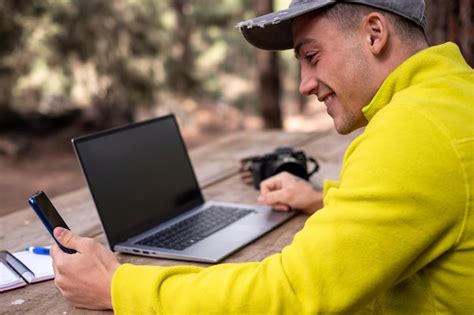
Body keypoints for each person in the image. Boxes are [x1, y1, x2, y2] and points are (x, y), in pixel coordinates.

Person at [50, 0, 474, 313]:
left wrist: (117, 287)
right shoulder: (452, 98)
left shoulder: (414, 130)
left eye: (312, 57)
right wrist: (322, 199)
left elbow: (292, 294)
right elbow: (432, 199)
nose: (306, 84)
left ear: (374, 33)